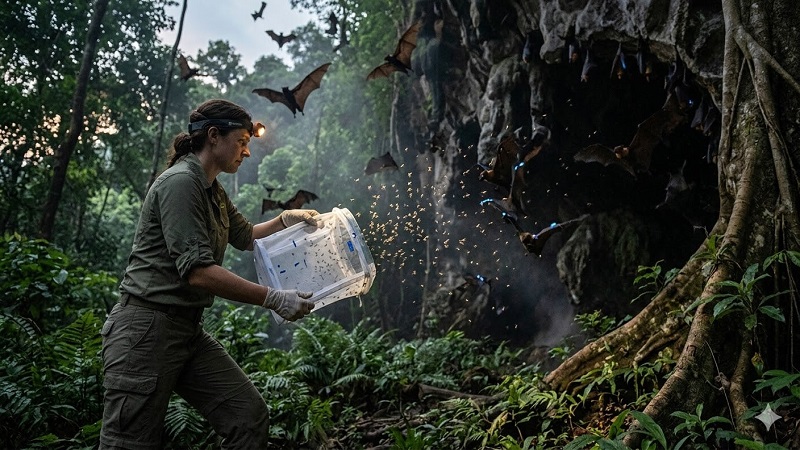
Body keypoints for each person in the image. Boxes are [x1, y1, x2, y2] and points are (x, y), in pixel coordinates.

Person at [99, 99, 319, 449]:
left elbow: (245, 236)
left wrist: (284, 220)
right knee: (129, 444)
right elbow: (199, 273)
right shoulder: (181, 183)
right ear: (214, 136)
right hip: (145, 330)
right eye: (242, 141)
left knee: (248, 417)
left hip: (186, 329)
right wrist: (273, 298)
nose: (246, 152)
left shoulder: (212, 189)